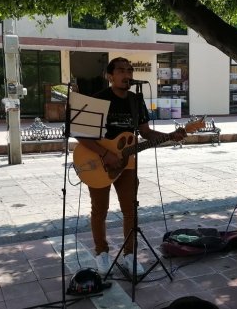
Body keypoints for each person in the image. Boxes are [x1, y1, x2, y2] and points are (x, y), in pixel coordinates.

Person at [75, 57, 185, 276]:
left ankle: (129, 255)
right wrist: (105, 154)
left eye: (130, 70)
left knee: (130, 211)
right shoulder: (98, 100)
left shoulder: (136, 100)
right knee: (100, 211)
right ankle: (101, 253)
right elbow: (82, 134)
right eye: (121, 71)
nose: (127, 75)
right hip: (100, 163)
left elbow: (145, 133)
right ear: (110, 75)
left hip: (127, 163)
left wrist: (170, 136)